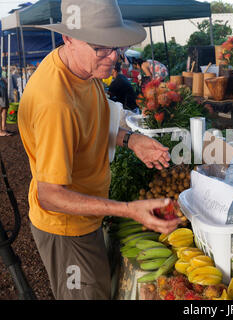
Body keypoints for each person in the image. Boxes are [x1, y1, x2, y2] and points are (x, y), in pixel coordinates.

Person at [18, 0, 180, 300]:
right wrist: (129, 210)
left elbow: (92, 125)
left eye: (116, 46)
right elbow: (50, 195)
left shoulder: (81, 69)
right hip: (67, 228)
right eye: (101, 48)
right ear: (68, 37)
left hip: (84, 218)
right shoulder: (55, 104)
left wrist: (132, 141)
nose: (112, 58)